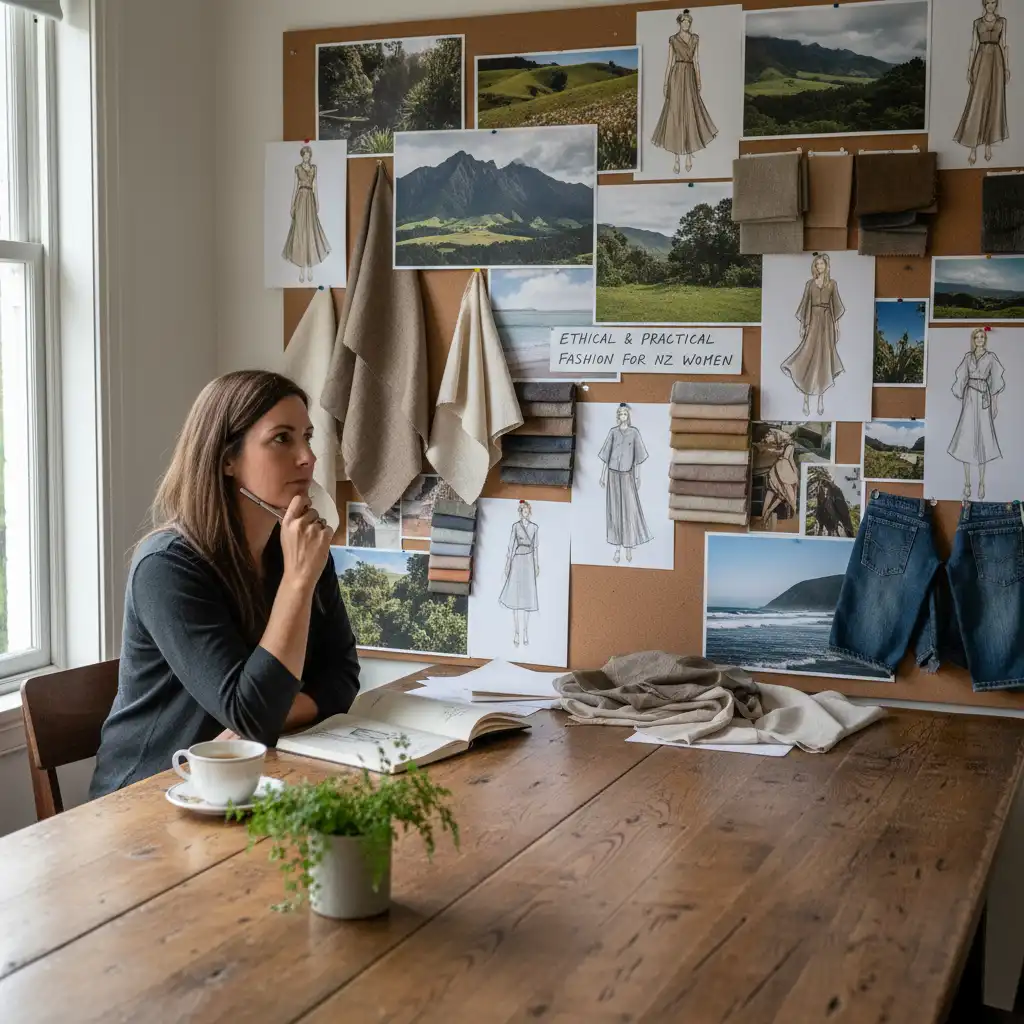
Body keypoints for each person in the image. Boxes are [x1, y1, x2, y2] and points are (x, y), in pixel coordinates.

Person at [89, 371, 360, 799]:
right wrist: (298, 581)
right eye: (282, 439)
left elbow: (342, 677)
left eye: (307, 437)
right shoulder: (167, 567)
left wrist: (268, 718)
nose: (308, 456)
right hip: (148, 795)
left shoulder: (295, 545)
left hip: (246, 780)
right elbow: (253, 713)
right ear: (226, 459)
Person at [650, 9, 718, 174]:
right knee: (675, 114)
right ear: (679, 22)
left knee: (690, 112)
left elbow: (696, 60)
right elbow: (669, 62)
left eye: (689, 22)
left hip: (690, 76)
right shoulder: (673, 40)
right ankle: (675, 159)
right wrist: (665, 83)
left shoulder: (695, 39)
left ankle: (688, 154)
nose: (686, 24)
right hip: (676, 76)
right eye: (684, 21)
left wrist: (699, 79)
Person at [782, 253, 846, 417]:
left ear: (826, 266)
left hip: (827, 324)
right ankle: (805, 399)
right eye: (817, 264)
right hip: (813, 322)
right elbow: (805, 305)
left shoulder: (832, 284)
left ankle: (820, 400)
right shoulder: (809, 284)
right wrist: (803, 325)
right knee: (807, 357)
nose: (819, 267)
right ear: (815, 267)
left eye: (822, 264)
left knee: (823, 361)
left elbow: (835, 306)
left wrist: (837, 328)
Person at [948, 326, 1005, 500]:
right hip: (969, 399)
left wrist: (994, 403)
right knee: (966, 437)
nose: (980, 339)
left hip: (984, 399)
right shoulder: (968, 357)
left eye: (982, 337)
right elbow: (961, 378)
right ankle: (967, 483)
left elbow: (996, 381)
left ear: (985, 339)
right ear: (973, 340)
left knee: (983, 439)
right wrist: (961, 397)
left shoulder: (991, 357)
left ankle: (981, 482)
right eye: (977, 337)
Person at [954, 0, 1010, 166]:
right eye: (988, 3)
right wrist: (969, 69)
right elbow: (972, 46)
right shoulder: (977, 23)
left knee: (994, 101)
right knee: (977, 101)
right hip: (981, 59)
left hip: (997, 62)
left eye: (994, 2)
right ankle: (972, 147)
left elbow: (1005, 45)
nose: (991, 6)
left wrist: (1006, 68)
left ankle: (987, 145)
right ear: (984, 5)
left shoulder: (1002, 21)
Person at [599, 403, 653, 564]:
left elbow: (639, 457)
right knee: (614, 511)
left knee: (629, 510)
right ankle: (617, 548)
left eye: (625, 414)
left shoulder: (634, 433)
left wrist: (638, 477)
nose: (623, 417)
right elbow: (605, 456)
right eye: (621, 414)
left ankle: (628, 546)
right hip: (613, 475)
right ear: (618, 416)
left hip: (628, 475)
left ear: (628, 416)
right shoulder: (613, 433)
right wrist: (602, 476)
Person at [282, 145, 331, 283]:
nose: (307, 157)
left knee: (310, 232)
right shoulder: (297, 168)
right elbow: (294, 187)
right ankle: (301, 271)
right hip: (300, 199)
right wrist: (292, 205)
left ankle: (310, 269)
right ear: (302, 155)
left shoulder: (314, 168)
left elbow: (315, 186)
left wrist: (317, 201)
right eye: (305, 155)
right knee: (300, 232)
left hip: (310, 199)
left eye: (309, 155)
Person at [498, 500, 540, 648]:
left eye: (528, 512)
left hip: (528, 561)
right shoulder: (515, 526)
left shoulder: (535, 528)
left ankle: (526, 631)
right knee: (515, 598)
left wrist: (536, 564)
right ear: (520, 512)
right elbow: (510, 546)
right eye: (524, 511)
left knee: (528, 599)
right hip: (517, 561)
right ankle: (516, 632)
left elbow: (535, 548)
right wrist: (507, 564)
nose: (526, 514)